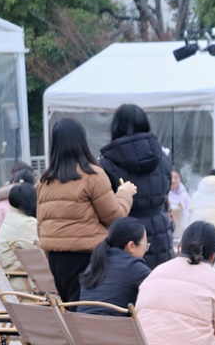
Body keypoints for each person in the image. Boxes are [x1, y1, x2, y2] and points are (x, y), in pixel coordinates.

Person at [37, 117, 136, 303]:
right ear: (82, 140)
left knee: (69, 310)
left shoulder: (44, 181)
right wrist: (124, 194)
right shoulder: (92, 175)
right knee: (85, 313)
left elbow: (41, 224)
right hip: (88, 259)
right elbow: (115, 217)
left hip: (56, 260)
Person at [98, 103, 175, 268]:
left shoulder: (107, 163)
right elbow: (166, 193)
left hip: (129, 239)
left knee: (132, 281)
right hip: (161, 235)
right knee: (160, 280)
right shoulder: (163, 157)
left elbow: (107, 208)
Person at [77, 218, 152, 314]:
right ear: (131, 246)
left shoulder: (94, 265)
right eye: (145, 245)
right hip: (116, 323)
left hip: (82, 323)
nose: (145, 249)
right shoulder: (135, 267)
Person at [0, 182, 40, 290]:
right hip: (27, 282)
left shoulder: (11, 219)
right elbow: (43, 251)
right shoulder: (26, 223)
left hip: (14, 279)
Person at [0, 163, 34, 241]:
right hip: (36, 245)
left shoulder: (2, 202)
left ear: (13, 181)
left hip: (8, 245)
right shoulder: (40, 200)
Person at [168, 169, 190, 236]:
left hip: (181, 227)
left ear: (180, 179)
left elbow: (188, 211)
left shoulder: (184, 195)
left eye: (176, 178)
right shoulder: (163, 194)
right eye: (171, 177)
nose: (173, 180)